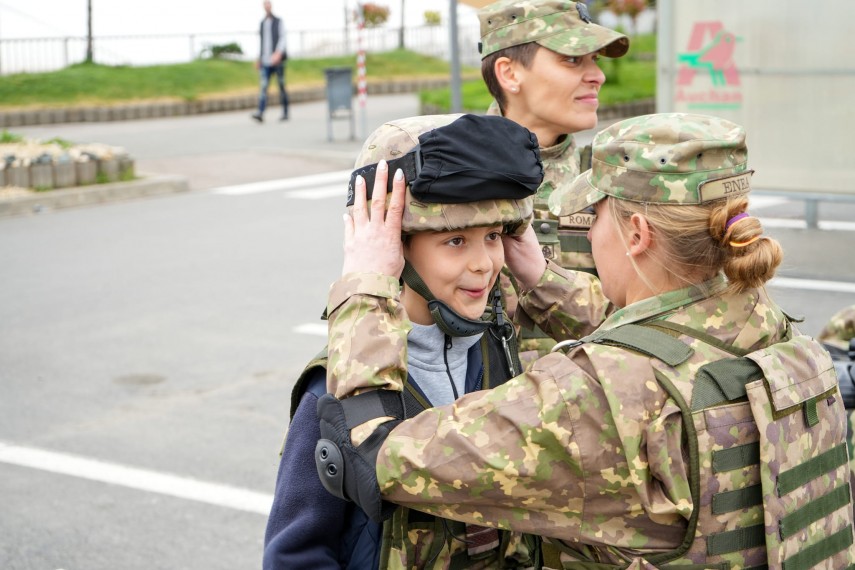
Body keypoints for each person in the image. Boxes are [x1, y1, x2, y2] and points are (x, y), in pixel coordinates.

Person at [314, 113, 855, 568]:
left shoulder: (592, 394)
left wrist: (366, 284)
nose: (588, 233)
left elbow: (373, 452)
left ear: (636, 233)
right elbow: (659, 343)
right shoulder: (763, 322)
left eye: (594, 217)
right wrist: (540, 275)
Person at [263, 113, 547, 569]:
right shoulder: (337, 385)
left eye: (493, 236)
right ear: (396, 246)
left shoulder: (502, 347)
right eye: (455, 241)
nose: (484, 263)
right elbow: (295, 552)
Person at [477, 0, 629, 362]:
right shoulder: (449, 178)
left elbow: (647, 325)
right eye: (573, 59)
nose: (598, 76)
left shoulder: (618, 181)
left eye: (595, 60)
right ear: (509, 74)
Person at [251, 0, 289, 123]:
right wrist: (259, 58)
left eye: (268, 4)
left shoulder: (278, 21)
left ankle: (285, 112)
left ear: (271, 6)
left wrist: (278, 53)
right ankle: (260, 112)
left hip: (277, 61)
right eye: (265, 4)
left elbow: (283, 38)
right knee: (263, 87)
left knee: (281, 86)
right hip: (266, 61)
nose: (267, 6)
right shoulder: (262, 23)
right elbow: (262, 43)